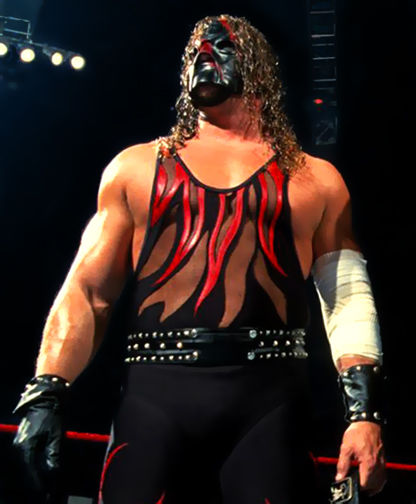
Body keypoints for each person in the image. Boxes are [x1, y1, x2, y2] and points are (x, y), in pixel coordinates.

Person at [12, 14, 386, 504]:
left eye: (221, 48)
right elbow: (87, 291)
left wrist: (363, 416)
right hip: (155, 395)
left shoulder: (315, 180)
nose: (204, 57)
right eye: (194, 52)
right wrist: (46, 392)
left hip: (270, 401)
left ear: (257, 68)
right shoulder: (136, 168)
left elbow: (347, 299)